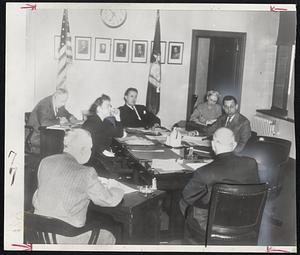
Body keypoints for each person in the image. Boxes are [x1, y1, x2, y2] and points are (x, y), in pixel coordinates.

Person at [32, 129, 124, 244]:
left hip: (38, 233)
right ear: (83, 149)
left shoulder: (45, 161)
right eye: (90, 148)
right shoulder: (87, 172)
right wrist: (117, 187)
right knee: (110, 235)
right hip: (65, 236)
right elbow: (109, 201)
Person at [179, 127, 259, 238]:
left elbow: (188, 197)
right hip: (246, 221)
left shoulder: (204, 172)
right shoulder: (251, 163)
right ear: (234, 145)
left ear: (213, 144)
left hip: (213, 224)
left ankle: (187, 237)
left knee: (183, 202)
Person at [82, 94, 125, 177]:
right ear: (99, 109)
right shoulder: (91, 123)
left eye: (110, 106)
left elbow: (119, 134)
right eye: (108, 106)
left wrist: (118, 117)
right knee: (114, 174)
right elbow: (90, 145)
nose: (111, 108)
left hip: (100, 156)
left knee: (118, 170)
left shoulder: (105, 122)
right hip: (91, 159)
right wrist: (103, 151)